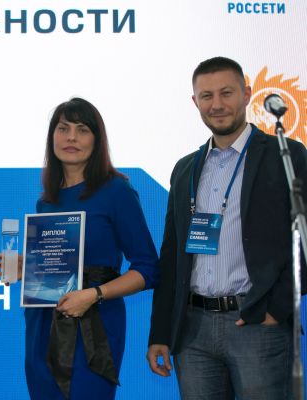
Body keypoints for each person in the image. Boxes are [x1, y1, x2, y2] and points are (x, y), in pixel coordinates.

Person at [147, 56, 307, 399]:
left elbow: (304, 240)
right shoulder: (185, 169)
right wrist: (160, 332)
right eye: (206, 96)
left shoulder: (286, 155)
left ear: (246, 94)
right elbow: (172, 256)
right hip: (192, 332)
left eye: (226, 93)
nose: (217, 104)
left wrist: (276, 308)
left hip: (257, 324)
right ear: (195, 102)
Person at [0, 97, 159, 399]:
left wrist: (94, 294)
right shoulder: (46, 201)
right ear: (52, 137)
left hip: (94, 327)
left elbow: (147, 269)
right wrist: (28, 268)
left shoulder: (117, 191)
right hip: (43, 326)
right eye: (63, 129)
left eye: (82, 129)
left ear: (97, 141)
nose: (71, 137)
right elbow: (55, 266)